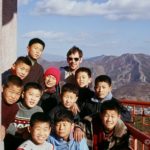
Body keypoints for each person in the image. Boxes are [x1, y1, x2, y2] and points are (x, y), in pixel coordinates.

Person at [5, 82, 43, 150]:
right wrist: (18, 131)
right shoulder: (14, 107)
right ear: (23, 94)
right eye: (31, 94)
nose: (33, 98)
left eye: (37, 96)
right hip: (11, 141)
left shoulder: (39, 111)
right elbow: (5, 124)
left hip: (29, 144)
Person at [1, 75, 23, 140]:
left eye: (17, 93)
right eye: (11, 92)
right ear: (3, 88)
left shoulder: (15, 108)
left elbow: (6, 124)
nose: (13, 96)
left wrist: (3, 127)